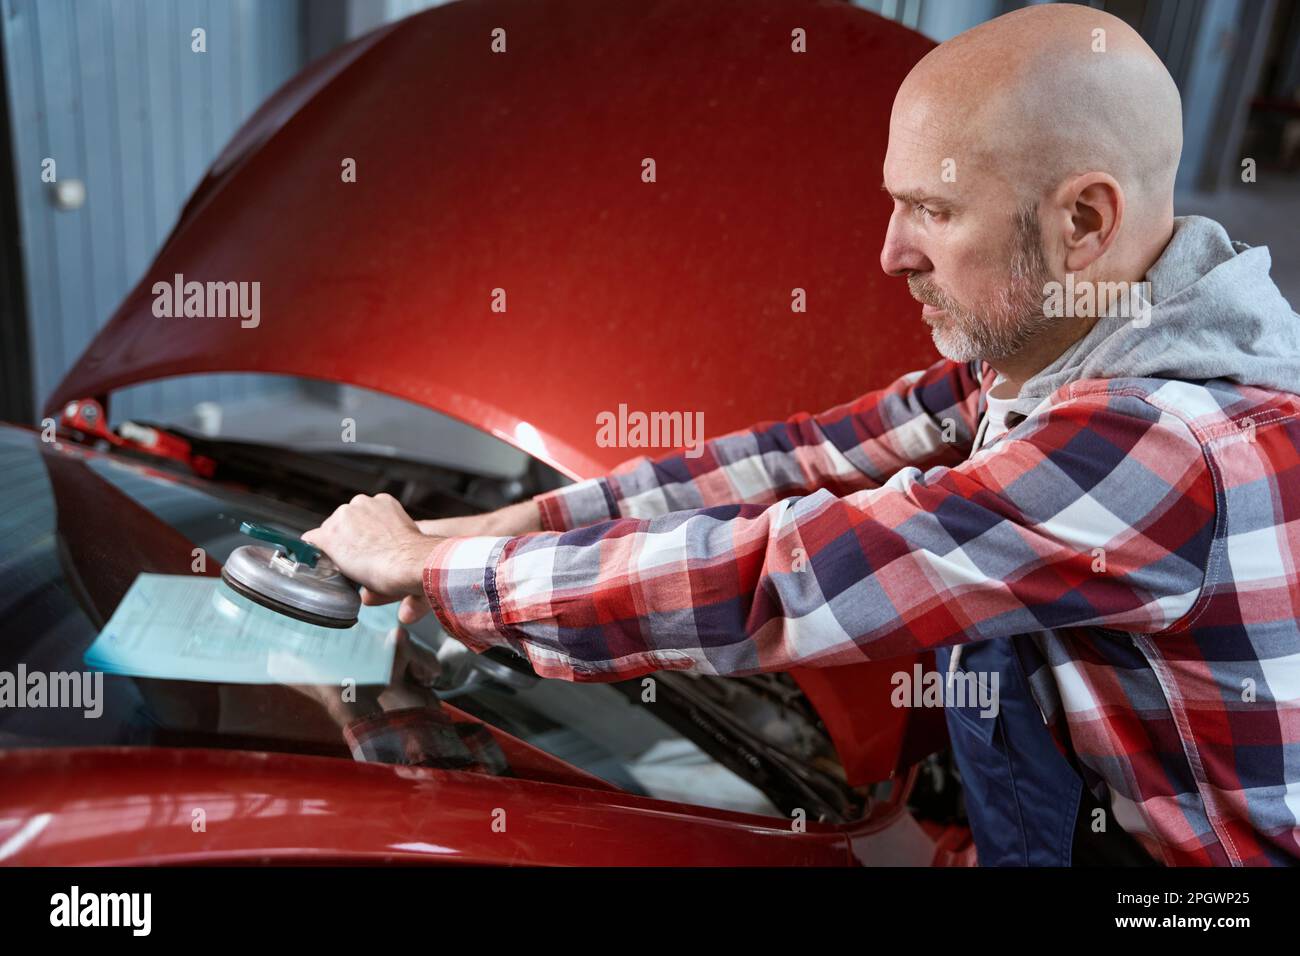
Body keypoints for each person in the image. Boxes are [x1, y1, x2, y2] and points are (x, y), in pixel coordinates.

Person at [302, 4, 1300, 866]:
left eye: (931, 209)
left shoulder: (1162, 447)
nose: (888, 250)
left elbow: (778, 578)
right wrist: (495, 522)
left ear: (1084, 219)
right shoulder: (1064, 347)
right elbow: (792, 459)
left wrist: (440, 577)